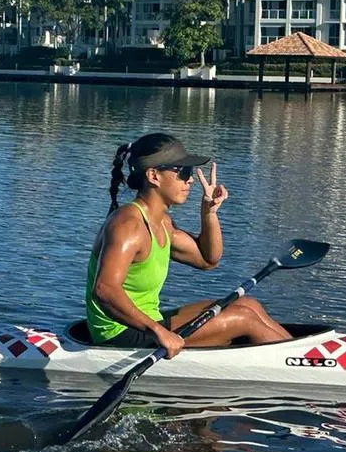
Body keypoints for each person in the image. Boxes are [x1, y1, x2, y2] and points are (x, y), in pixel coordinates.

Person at [84, 133, 291, 358]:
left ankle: (301, 355)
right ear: (154, 175)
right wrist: (158, 331)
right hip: (120, 332)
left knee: (249, 305)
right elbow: (104, 290)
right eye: (183, 172)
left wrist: (209, 213)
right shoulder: (127, 226)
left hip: (147, 320)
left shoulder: (163, 223)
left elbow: (208, 260)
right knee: (245, 319)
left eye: (189, 172)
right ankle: (305, 365)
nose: (190, 179)